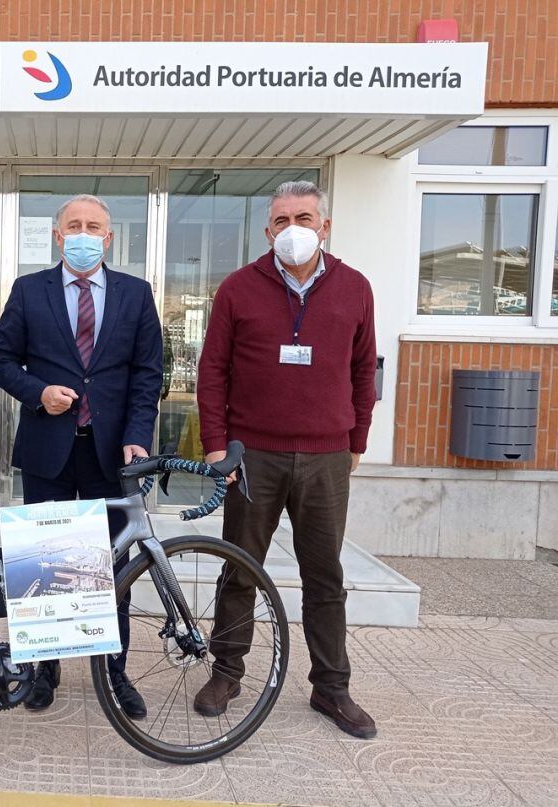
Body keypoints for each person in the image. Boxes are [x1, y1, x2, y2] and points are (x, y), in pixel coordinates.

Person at [195, 180, 378, 739]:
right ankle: (227, 672)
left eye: (304, 217)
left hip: (326, 455)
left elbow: (364, 370)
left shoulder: (354, 288)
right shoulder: (237, 289)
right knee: (240, 569)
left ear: (325, 226)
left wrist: (357, 442)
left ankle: (331, 686)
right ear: (268, 230)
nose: (293, 228)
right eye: (282, 220)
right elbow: (212, 371)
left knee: (325, 575)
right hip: (254, 455)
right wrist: (216, 445)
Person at [0, 193, 163, 718]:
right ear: (58, 236)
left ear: (108, 238)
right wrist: (38, 392)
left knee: (114, 568)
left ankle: (115, 670)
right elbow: (2, 362)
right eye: (74, 226)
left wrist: (138, 434)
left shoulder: (136, 294)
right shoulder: (28, 290)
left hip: (113, 452)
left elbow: (147, 374)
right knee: (48, 565)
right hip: (50, 451)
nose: (83, 234)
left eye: (94, 227)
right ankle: (46, 669)